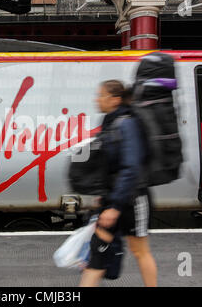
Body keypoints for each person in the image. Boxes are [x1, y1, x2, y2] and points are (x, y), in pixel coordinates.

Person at [79, 80, 157, 287]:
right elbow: (108, 165)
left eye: (101, 95)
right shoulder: (109, 123)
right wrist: (104, 198)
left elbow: (131, 168)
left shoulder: (127, 124)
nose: (97, 99)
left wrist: (114, 206)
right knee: (97, 252)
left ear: (114, 99)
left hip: (133, 199)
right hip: (112, 199)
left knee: (140, 251)